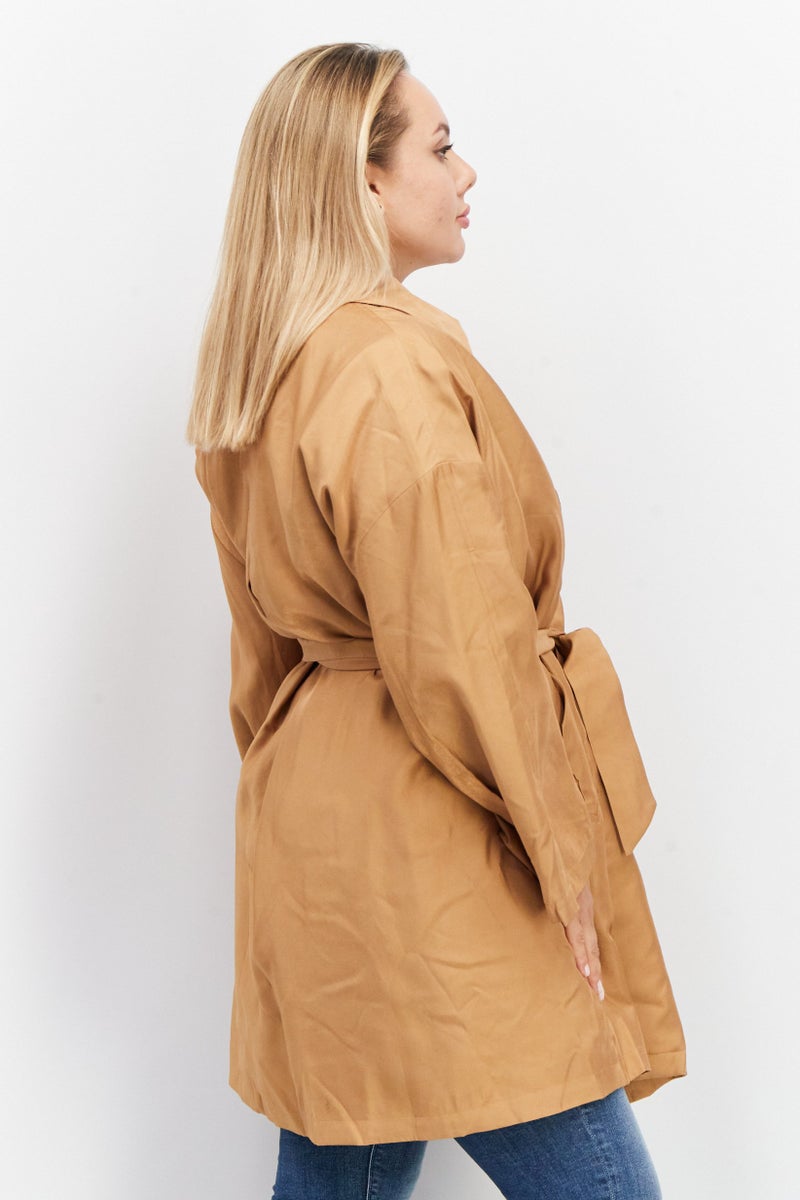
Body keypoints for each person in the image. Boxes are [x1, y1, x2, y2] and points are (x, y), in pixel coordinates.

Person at [187, 42, 686, 1200]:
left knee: (342, 1161)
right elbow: (461, 646)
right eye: (441, 146)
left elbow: (258, 661)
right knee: (585, 1162)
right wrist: (557, 856)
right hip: (436, 820)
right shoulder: (386, 370)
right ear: (362, 178)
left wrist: (299, 810)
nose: (466, 173)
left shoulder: (262, 365)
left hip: (318, 820)